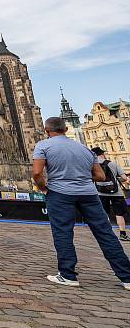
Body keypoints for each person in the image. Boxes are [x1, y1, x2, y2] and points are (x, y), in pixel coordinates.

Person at [33, 117, 130, 288]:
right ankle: (127, 277)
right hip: (89, 194)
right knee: (105, 233)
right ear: (66, 129)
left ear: (47, 130)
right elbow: (100, 176)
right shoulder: (84, 149)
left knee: (63, 233)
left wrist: (44, 188)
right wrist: (82, 178)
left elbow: (37, 173)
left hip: (60, 193)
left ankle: (68, 275)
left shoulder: (44, 145)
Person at [92, 147, 130, 241]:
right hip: (116, 193)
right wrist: (117, 180)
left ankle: (107, 233)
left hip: (100, 192)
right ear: (101, 154)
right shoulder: (112, 163)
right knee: (119, 214)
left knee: (104, 213)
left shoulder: (92, 165)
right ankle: (123, 234)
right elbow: (125, 178)